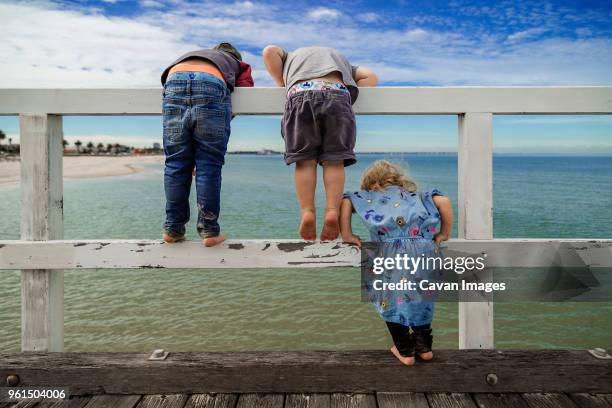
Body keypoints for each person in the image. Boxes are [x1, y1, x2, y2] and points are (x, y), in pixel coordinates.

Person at [340, 160, 453, 366]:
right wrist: (444, 233)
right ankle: (424, 348)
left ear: (372, 184)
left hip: (390, 253)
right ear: (399, 180)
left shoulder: (370, 195)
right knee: (422, 299)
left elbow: (345, 201)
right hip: (425, 252)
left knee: (389, 299)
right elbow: (444, 202)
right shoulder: (418, 196)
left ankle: (405, 351)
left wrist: (347, 234)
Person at [262, 45, 378, 241]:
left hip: (299, 94)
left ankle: (307, 211)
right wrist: (349, 98)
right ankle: (332, 210)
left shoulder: (290, 56)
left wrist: (281, 82)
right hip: (338, 95)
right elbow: (370, 77)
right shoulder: (345, 63)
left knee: (304, 161)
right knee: (335, 161)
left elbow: (269, 51)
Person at [160, 43, 254, 246]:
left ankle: (172, 229)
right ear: (235, 57)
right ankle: (210, 232)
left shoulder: (193, 54)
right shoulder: (239, 64)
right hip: (211, 84)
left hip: (174, 80)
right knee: (209, 166)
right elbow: (246, 92)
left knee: (175, 164)